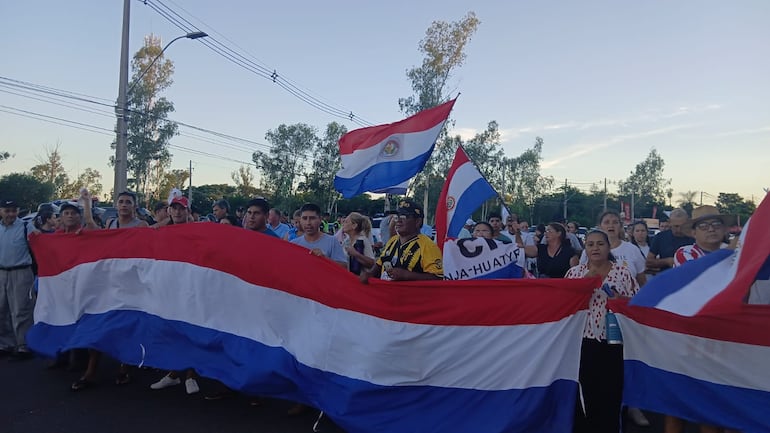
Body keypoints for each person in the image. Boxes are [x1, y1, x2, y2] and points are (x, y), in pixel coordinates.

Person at [667, 205, 733, 433]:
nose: (711, 230)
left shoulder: (736, 253)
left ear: (724, 229)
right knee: (678, 405)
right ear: (693, 232)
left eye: (716, 224)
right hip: (689, 336)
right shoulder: (685, 253)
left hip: (724, 337)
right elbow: (702, 279)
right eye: (704, 226)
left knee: (717, 407)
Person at [565, 230, 639, 433]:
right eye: (590, 244)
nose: (595, 248)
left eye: (600, 244)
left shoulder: (623, 273)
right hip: (581, 342)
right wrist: (584, 283)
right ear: (585, 248)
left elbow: (638, 304)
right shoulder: (574, 274)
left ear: (608, 247)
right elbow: (563, 305)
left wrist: (620, 301)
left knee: (611, 393)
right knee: (584, 394)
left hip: (613, 341)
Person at [150, 195, 201, 395]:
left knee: (191, 332)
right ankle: (173, 374)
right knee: (173, 332)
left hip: (192, 288)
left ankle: (190, 375)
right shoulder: (161, 231)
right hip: (169, 288)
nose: (178, 212)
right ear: (169, 210)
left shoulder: (198, 231)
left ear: (188, 211)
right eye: (174, 208)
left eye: (182, 208)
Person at [360, 199, 443, 282]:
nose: (398, 220)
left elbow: (437, 278)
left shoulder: (428, 246)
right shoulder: (392, 241)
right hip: (386, 293)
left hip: (411, 294)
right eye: (397, 217)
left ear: (417, 221)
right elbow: (380, 263)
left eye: (404, 217)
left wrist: (406, 275)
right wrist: (369, 274)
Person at [0, 199, 36, 360]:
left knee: (21, 310)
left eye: (13, 210)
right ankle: (5, 344)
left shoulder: (26, 227)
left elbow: (40, 244)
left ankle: (24, 346)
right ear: (1, 211)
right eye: (7, 211)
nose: (10, 214)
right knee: (2, 310)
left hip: (21, 272)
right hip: (1, 273)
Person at [582, 211, 647, 287]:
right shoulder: (589, 251)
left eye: (615, 222)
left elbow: (642, 281)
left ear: (620, 226)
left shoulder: (633, 250)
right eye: (606, 222)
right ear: (600, 226)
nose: (611, 225)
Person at [291, 203, 346, 267]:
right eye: (304, 218)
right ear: (300, 220)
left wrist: (324, 259)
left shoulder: (332, 241)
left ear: (320, 219)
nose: (308, 223)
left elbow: (344, 268)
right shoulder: (294, 244)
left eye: (312, 218)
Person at [647, 208, 694, 275]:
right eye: (676, 226)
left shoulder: (695, 237)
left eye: (682, 226)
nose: (679, 230)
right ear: (669, 222)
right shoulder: (660, 237)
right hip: (667, 278)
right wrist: (667, 261)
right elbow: (649, 262)